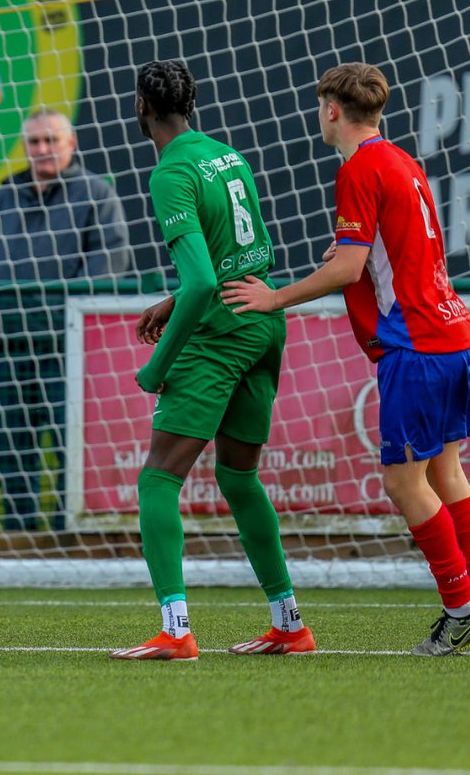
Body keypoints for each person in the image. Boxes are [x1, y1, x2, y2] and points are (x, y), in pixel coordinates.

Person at [223, 62, 470, 657]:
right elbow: (391, 249)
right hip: (455, 332)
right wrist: (357, 253)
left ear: (332, 110)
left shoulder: (357, 168)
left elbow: (350, 269)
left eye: (318, 106)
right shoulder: (401, 161)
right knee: (446, 473)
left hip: (417, 344)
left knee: (403, 481)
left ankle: (461, 608)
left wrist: (274, 297)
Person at [110, 59, 312, 661]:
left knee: (158, 478)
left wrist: (157, 367)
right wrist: (173, 301)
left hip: (220, 333)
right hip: (263, 323)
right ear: (190, 103)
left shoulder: (171, 172)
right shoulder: (227, 156)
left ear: (142, 107)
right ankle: (289, 624)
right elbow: (236, 259)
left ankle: (175, 631)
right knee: (238, 476)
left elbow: (201, 282)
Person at [0, 108, 131, 530]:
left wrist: (54, 314)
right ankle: (18, 534)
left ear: (70, 143)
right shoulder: (4, 196)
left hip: (68, 351)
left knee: (69, 443)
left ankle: (67, 533)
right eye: (34, 142)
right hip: (8, 347)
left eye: (51, 140)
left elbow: (108, 265)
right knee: (11, 447)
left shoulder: (96, 194)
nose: (42, 149)